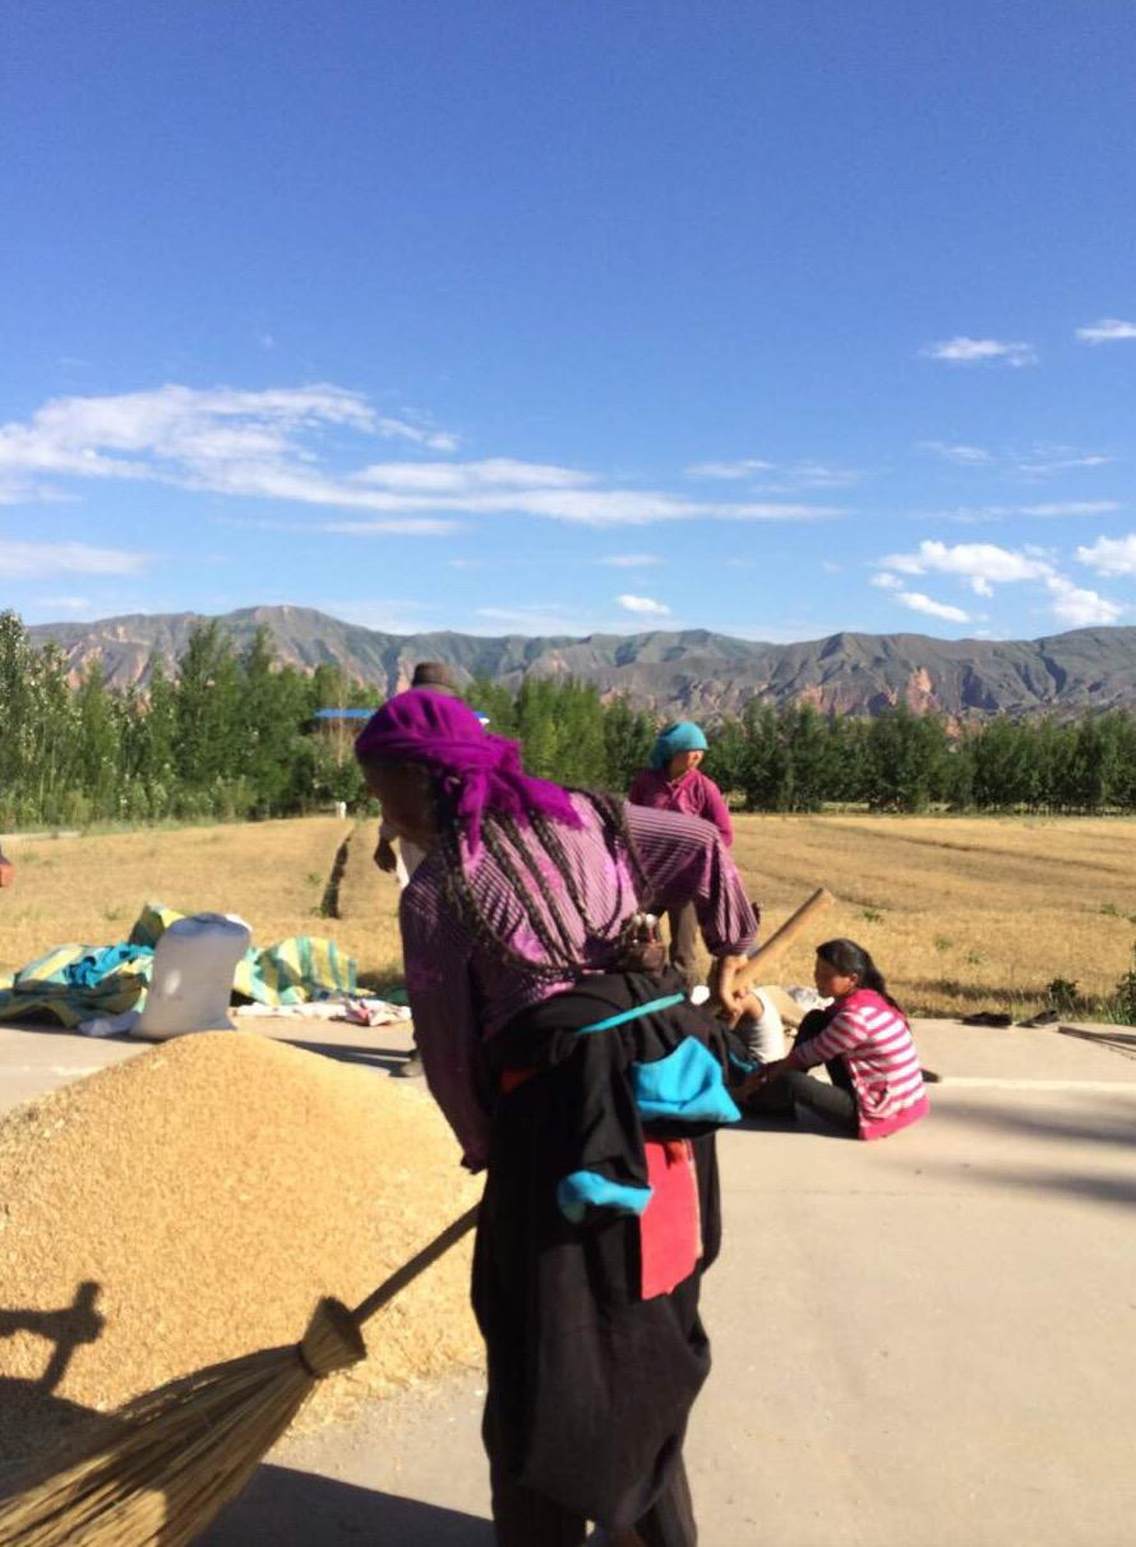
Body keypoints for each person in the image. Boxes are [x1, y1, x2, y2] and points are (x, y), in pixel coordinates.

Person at [354, 690, 758, 1547]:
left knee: (552, 1361)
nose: (380, 809)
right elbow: (700, 844)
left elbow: (452, 1054)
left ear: (422, 781)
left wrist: (486, 1146)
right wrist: (734, 946)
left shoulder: (440, 892)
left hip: (564, 1150)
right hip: (663, 1122)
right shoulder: (593, 814)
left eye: (381, 786)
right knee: (645, 1346)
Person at [742, 938, 928, 1140]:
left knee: (791, 1081)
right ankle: (778, 1099)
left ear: (852, 979)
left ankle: (767, 1101)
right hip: (897, 1100)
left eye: (826, 975)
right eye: (817, 972)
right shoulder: (871, 998)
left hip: (877, 1112)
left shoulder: (854, 1018)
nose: (817, 980)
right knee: (817, 1020)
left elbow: (802, 1057)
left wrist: (763, 1078)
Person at [629, 722, 734, 995]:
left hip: (686, 881)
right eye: (692, 750)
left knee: (684, 950)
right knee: (637, 937)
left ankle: (682, 1001)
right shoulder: (646, 782)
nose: (698, 756)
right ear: (674, 751)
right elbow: (632, 821)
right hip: (649, 877)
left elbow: (724, 833)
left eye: (701, 750)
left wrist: (699, 859)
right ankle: (645, 991)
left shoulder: (705, 788)